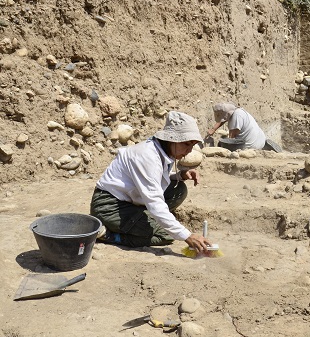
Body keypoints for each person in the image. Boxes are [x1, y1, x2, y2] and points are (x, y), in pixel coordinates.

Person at [90, 111, 212, 252]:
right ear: (172, 139)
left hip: (129, 201)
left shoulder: (162, 150)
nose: (189, 151)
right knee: (166, 235)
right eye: (187, 144)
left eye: (193, 145)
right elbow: (154, 201)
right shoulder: (147, 156)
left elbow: (153, 177)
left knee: (178, 189)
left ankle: (144, 220)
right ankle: (108, 235)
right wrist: (188, 236)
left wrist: (179, 175)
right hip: (109, 207)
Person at [206, 102, 281, 152]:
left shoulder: (236, 117)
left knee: (223, 143)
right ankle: (265, 147)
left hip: (249, 145)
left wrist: (223, 144)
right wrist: (213, 129)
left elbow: (232, 138)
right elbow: (224, 119)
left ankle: (255, 148)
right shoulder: (238, 111)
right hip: (261, 139)